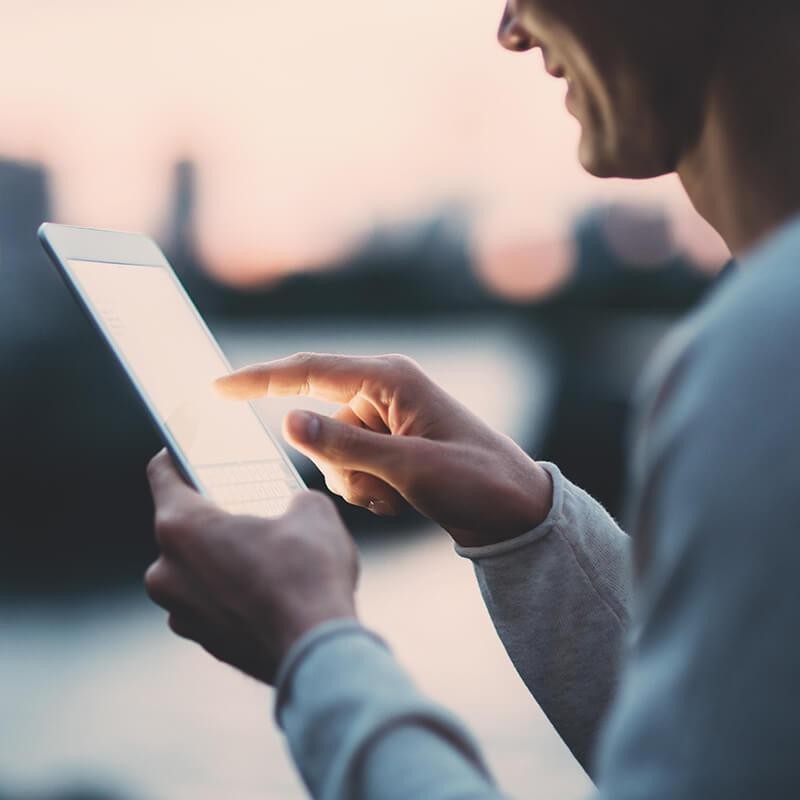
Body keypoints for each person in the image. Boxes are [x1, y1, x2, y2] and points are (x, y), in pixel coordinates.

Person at [142, 1, 800, 797]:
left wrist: (313, 650)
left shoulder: (766, 353)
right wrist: (528, 523)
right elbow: (734, 752)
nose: (512, 28)